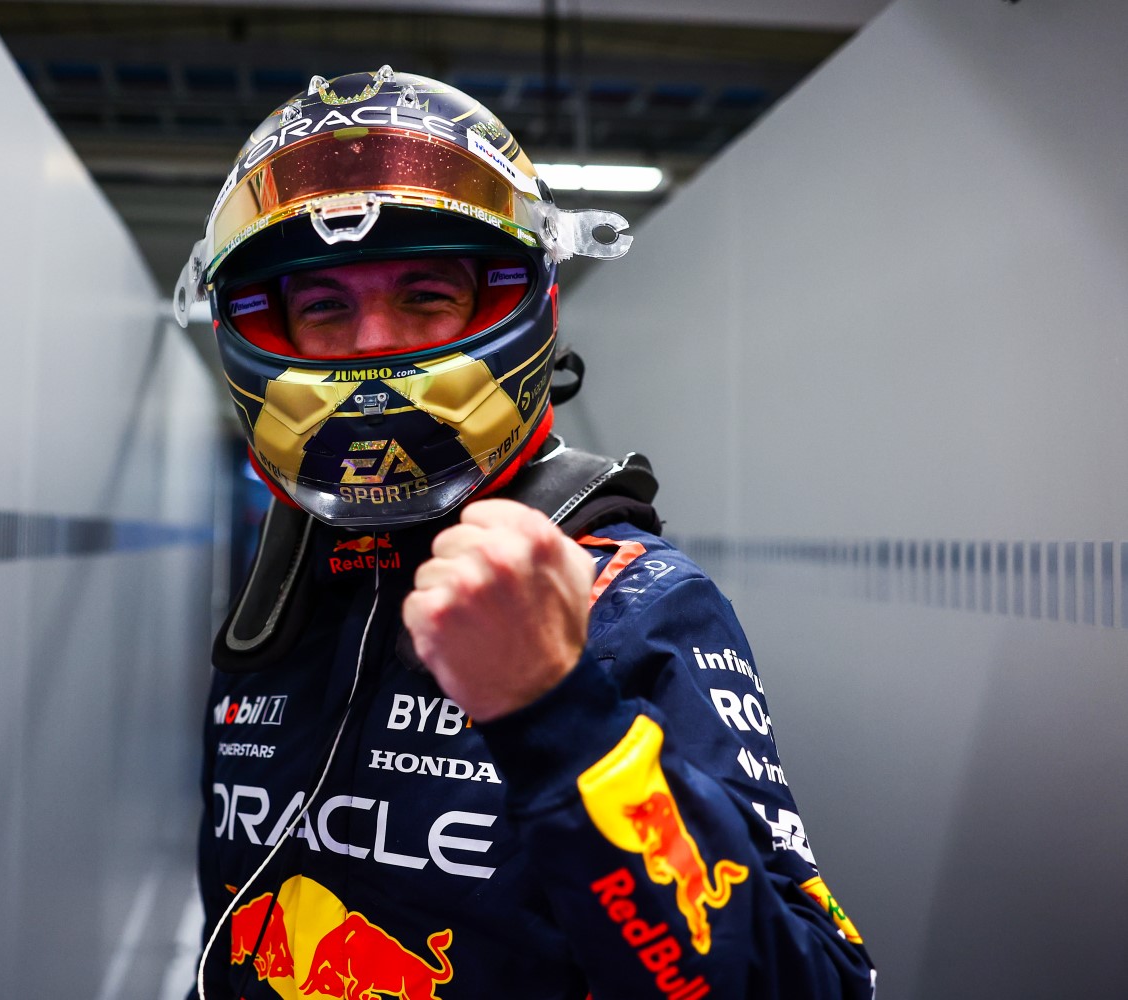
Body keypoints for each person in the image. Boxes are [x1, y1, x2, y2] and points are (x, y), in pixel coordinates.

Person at [173, 67, 876, 1000]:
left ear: (512, 306)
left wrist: (559, 715)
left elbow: (816, 986)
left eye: (426, 296)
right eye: (325, 307)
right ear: (270, 327)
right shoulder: (288, 584)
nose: (373, 342)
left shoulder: (628, 601)